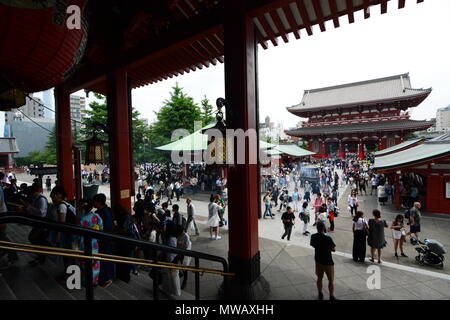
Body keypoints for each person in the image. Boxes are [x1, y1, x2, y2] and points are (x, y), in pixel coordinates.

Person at [75, 199, 103, 286]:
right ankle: (94, 281)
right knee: (95, 262)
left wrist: (75, 242)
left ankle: (86, 281)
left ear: (82, 209)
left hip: (84, 244)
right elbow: (101, 228)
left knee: (85, 262)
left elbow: (77, 234)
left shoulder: (82, 219)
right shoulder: (97, 216)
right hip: (94, 243)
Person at [24, 183, 51, 266]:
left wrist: (29, 207)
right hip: (38, 223)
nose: (30, 197)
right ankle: (40, 257)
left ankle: (41, 257)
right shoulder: (36, 198)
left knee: (34, 239)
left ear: (33, 193)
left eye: (30, 195)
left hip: (41, 224)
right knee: (36, 240)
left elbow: (42, 213)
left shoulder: (41, 199)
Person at [93, 193, 115, 288]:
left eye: (95, 201)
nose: (93, 203)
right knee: (105, 258)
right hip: (105, 239)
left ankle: (106, 278)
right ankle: (106, 278)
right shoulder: (104, 210)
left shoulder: (103, 212)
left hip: (104, 240)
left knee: (104, 259)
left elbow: (108, 227)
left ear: (99, 202)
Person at [310, 221, 337, 301]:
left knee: (319, 278)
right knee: (331, 280)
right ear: (324, 228)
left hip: (318, 260)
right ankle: (331, 296)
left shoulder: (313, 236)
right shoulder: (328, 238)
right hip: (328, 261)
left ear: (317, 228)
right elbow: (334, 249)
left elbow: (312, 244)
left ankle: (320, 293)